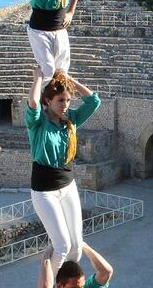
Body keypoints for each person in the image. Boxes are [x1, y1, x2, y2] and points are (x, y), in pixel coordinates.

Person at [27, 68, 101, 274]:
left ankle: (65, 286)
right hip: (44, 189)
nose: (65, 106)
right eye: (61, 100)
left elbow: (94, 101)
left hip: (67, 185)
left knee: (76, 247)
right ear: (48, 101)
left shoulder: (71, 119)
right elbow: (32, 104)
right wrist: (38, 79)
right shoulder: (38, 122)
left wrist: (70, 80)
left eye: (68, 101)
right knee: (62, 247)